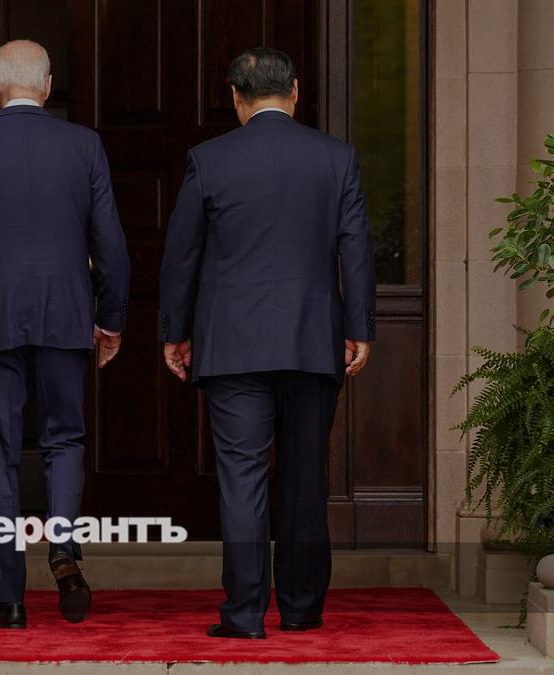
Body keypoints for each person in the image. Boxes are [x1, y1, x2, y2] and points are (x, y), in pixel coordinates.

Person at [158, 46, 375, 639]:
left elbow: (181, 256)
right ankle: (302, 609)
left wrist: (175, 332)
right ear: (296, 91)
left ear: (235, 97)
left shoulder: (208, 159)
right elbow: (356, 251)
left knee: (242, 479)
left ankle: (245, 613)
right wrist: (359, 328)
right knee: (306, 477)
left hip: (233, 347)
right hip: (312, 342)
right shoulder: (336, 158)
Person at [0, 39, 131, 629]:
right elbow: (111, 245)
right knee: (65, 440)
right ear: (46, 86)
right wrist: (111, 318)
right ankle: (63, 548)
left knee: (0, 453)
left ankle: (9, 600)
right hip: (65, 317)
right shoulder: (84, 145)